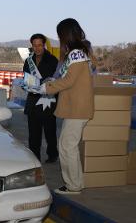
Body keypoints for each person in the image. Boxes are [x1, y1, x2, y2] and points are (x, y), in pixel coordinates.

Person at [40, 18, 94, 194]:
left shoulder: (76, 54)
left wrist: (47, 87)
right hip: (76, 107)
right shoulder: (78, 52)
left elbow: (69, 80)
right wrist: (52, 82)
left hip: (77, 108)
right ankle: (75, 183)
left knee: (67, 146)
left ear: (66, 34)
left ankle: (73, 185)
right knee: (68, 146)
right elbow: (67, 77)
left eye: (60, 35)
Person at [23, 33, 59, 163]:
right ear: (31, 45)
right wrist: (25, 85)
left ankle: (52, 155)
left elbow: (56, 80)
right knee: (33, 133)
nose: (37, 48)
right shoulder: (29, 61)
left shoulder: (53, 60)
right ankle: (34, 157)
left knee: (50, 131)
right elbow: (26, 77)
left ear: (44, 45)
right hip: (32, 100)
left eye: (39, 45)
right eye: (34, 45)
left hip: (47, 99)